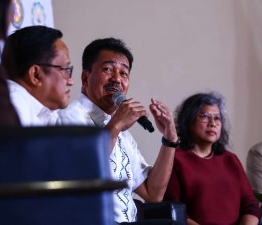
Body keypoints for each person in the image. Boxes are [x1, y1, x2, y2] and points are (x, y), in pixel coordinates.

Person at [58, 37, 179, 223]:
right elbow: (80, 173)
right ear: (85, 77)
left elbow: (152, 193)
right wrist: (116, 126)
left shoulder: (124, 134)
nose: (116, 79)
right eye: (107, 69)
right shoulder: (68, 118)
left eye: (124, 73)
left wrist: (170, 139)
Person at [163, 92, 260, 225]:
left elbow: (250, 205)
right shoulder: (175, 159)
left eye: (217, 118)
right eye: (204, 116)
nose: (213, 123)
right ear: (188, 121)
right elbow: (173, 210)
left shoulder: (230, 159)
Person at [0, 26, 73, 126]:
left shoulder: (47, 113)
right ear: (35, 75)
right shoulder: (13, 105)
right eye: (65, 69)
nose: (70, 81)